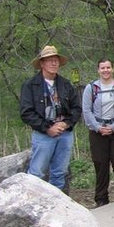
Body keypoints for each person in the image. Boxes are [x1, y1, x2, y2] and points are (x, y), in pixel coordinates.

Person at [20, 45, 82, 192]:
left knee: (59, 173)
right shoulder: (30, 85)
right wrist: (47, 128)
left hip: (64, 134)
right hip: (43, 134)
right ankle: (31, 205)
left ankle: (57, 205)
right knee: (36, 173)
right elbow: (26, 112)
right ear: (42, 63)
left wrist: (66, 123)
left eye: (56, 60)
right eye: (50, 60)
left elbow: (76, 108)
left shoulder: (66, 84)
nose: (54, 63)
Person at [82, 58, 114, 207]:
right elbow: (86, 111)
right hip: (97, 131)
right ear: (98, 70)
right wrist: (97, 127)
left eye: (108, 67)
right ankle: (101, 198)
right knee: (100, 164)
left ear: (112, 69)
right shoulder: (91, 88)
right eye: (102, 68)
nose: (106, 70)